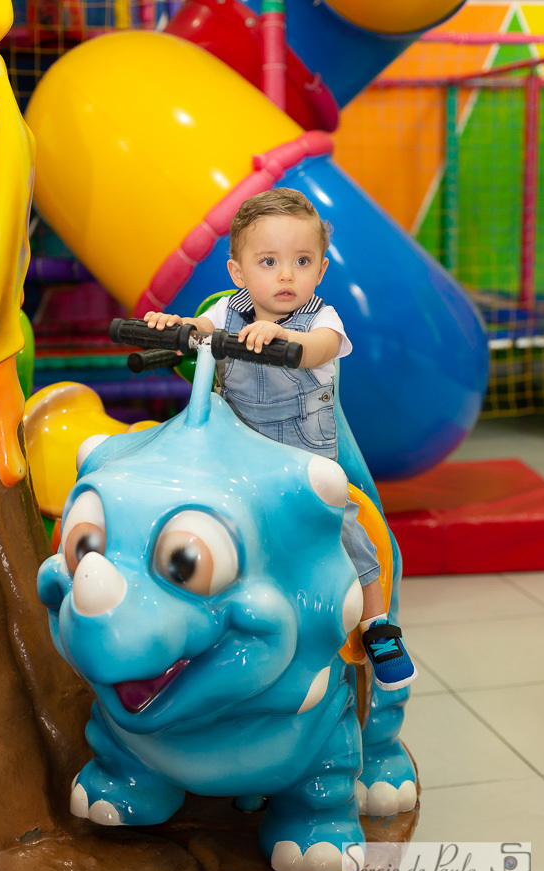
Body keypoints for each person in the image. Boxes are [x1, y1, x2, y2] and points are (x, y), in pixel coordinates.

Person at [144, 187, 416, 692]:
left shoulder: (322, 320)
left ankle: (379, 626)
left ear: (320, 271)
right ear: (238, 272)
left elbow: (317, 350)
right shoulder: (229, 310)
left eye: (302, 261)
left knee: (340, 526)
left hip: (302, 456)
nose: (286, 275)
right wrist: (174, 325)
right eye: (269, 261)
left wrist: (283, 338)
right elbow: (199, 328)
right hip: (236, 452)